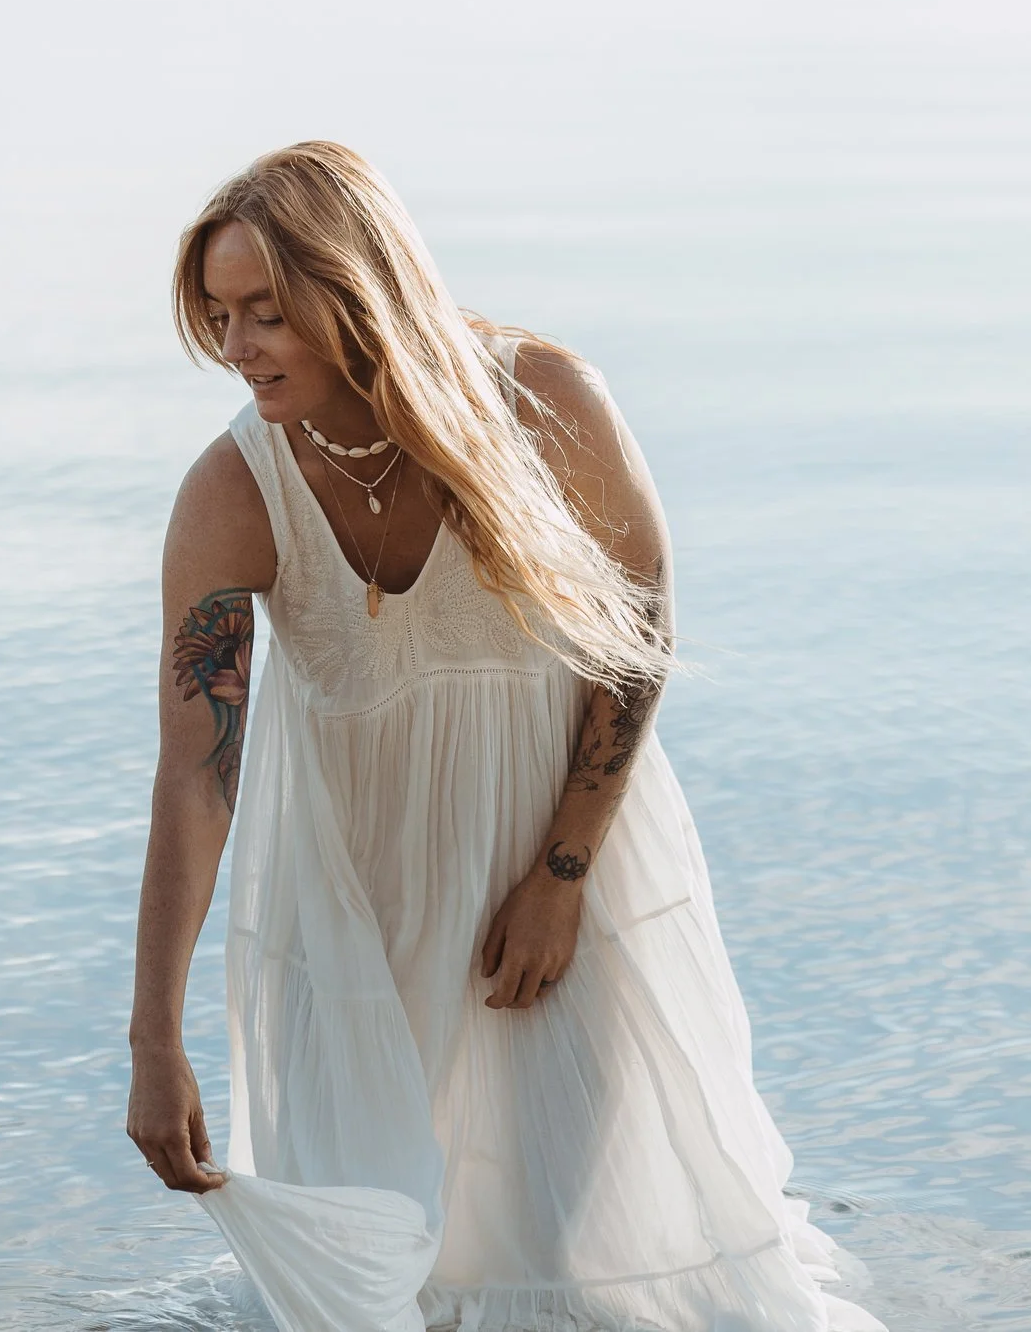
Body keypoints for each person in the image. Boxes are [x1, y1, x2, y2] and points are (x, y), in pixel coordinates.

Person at [126, 142, 886, 1332]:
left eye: (266, 312)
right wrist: (153, 1039)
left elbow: (639, 626)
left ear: (354, 290)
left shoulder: (541, 404)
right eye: (219, 316)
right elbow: (195, 777)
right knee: (388, 1262)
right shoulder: (233, 489)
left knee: (565, 1240)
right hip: (353, 891)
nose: (237, 347)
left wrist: (563, 871)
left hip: (556, 852)